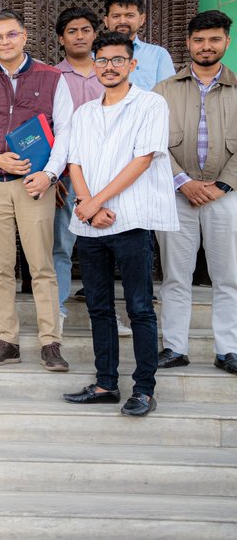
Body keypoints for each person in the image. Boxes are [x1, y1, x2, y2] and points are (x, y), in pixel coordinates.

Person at [62, 31, 177, 417]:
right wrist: (87, 204)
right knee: (98, 306)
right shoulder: (84, 113)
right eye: (102, 60)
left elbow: (142, 160)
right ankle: (105, 383)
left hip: (131, 220)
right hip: (91, 224)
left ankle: (144, 388)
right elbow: (74, 162)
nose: (109, 67)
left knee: (140, 307)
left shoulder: (150, 104)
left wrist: (95, 202)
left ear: (132, 64)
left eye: (117, 60)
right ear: (94, 66)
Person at [0, 10, 73, 372]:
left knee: (41, 265)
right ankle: (7, 340)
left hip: (34, 184)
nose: (4, 42)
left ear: (25, 37)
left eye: (11, 35)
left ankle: (50, 342)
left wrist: (51, 175)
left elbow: (67, 132)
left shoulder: (52, 77)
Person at [153, 10, 237, 376]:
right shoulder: (164, 90)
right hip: (177, 195)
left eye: (214, 39)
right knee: (175, 275)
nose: (206, 46)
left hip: (226, 195)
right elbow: (153, 145)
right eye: (199, 40)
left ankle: (228, 349)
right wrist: (183, 182)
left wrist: (221, 185)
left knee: (228, 277)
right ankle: (175, 347)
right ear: (188, 43)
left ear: (226, 42)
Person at [51, 7, 104, 322]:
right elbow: (46, 126)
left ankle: (107, 312)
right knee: (61, 243)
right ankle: (56, 309)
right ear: (61, 38)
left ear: (94, 34)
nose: (80, 36)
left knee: (105, 242)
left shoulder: (109, 72)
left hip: (106, 174)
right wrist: (53, 172)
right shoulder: (52, 76)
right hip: (67, 175)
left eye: (85, 30)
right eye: (72, 31)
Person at [102, 0, 175, 92]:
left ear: (142, 19)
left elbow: (168, 94)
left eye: (129, 15)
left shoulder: (158, 55)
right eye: (116, 16)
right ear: (106, 21)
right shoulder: (93, 55)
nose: (122, 21)